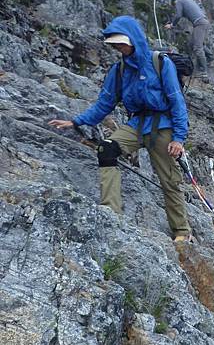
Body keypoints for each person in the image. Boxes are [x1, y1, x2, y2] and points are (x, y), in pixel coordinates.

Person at [48, 15, 191, 243]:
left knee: (169, 179)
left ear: (133, 39)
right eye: (115, 45)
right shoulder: (120, 69)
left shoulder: (160, 63)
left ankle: (181, 231)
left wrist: (179, 138)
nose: (119, 48)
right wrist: (76, 121)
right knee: (107, 148)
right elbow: (105, 103)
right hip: (137, 124)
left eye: (121, 43)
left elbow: (176, 101)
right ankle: (111, 212)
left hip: (163, 125)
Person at [165, 0, 210, 84]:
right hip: (204, 21)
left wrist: (172, 25)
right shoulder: (188, 0)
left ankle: (204, 72)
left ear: (174, 1)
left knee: (197, 47)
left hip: (199, 23)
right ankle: (211, 56)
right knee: (196, 42)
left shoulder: (179, 2)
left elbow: (178, 15)